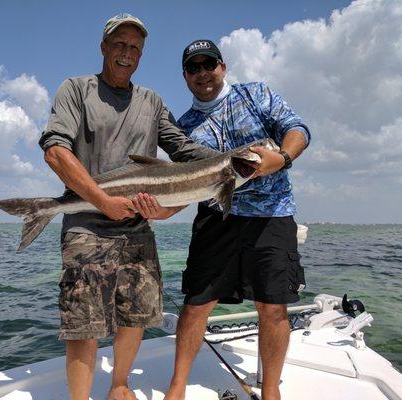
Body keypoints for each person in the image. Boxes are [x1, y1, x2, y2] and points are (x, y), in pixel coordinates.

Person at [38, 15, 218, 400]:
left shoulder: (152, 102)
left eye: (135, 47)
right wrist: (103, 201)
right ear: (103, 47)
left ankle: (119, 385)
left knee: (136, 314)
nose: (126, 53)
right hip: (86, 226)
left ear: (142, 54)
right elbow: (55, 150)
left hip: (138, 230)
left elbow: (185, 153)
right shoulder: (76, 89)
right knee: (83, 323)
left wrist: (231, 162)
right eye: (119, 44)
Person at [133, 39, 311, 400]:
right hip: (217, 219)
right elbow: (185, 189)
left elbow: (297, 130)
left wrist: (283, 159)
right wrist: (161, 211)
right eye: (193, 68)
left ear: (222, 66)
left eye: (208, 64)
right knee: (196, 303)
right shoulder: (183, 128)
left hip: (272, 215)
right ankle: (177, 384)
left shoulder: (256, 94)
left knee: (273, 306)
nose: (203, 73)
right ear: (185, 76)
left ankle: (272, 389)